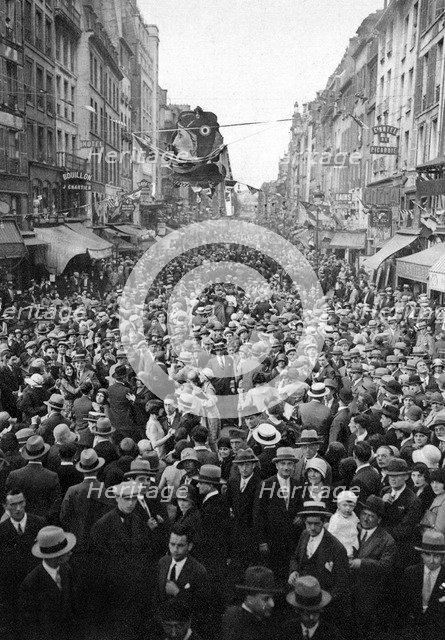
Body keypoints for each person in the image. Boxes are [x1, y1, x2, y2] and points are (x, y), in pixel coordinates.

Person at [288, 501, 350, 628]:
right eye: (309, 523)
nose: (312, 528)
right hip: (301, 600)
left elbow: (342, 582)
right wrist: (294, 571)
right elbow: (295, 558)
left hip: (323, 606)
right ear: (304, 522)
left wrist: (325, 602)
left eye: (317, 524)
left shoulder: (336, 548)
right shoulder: (304, 535)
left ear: (324, 523)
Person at [349, 495, 397, 638]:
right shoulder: (351, 530)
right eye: (363, 514)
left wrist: (361, 563)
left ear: (379, 519)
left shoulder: (387, 540)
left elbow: (386, 566)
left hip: (369, 595)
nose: (365, 519)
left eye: (371, 516)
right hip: (347, 591)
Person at [18, 525, 77, 640]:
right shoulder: (31, 583)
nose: (70, 553)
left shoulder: (66, 570)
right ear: (55, 557)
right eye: (66, 551)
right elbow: (29, 624)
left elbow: (71, 606)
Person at [253, 446, 301, 584]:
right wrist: (262, 541)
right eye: (283, 464)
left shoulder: (298, 485)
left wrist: (300, 516)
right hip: (271, 539)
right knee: (273, 575)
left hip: (291, 540)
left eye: (290, 464)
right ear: (276, 465)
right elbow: (258, 515)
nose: (286, 467)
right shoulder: (266, 485)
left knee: (289, 575)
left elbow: (300, 506)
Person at [0, 490, 46, 632]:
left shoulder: (39, 523)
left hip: (36, 586)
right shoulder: (1, 530)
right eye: (13, 504)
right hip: (11, 590)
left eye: (21, 503)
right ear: (5, 507)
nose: (18, 508)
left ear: (25, 502)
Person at [155, 524, 210, 635]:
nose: (175, 549)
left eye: (180, 545)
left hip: (183, 631)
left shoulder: (198, 571)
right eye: (172, 544)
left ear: (189, 546)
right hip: (163, 629)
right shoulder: (163, 563)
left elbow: (202, 607)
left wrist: (178, 593)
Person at [398, 530, 445, 636]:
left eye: (437, 556)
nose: (432, 560)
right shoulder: (410, 572)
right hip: (411, 631)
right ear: (422, 555)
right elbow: (401, 605)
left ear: (443, 557)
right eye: (428, 555)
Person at [5, 435, 61, 523]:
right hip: (43, 524)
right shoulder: (52, 476)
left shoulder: (14, 475)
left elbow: (7, 501)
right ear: (43, 455)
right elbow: (55, 506)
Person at [381, 458, 423, 569]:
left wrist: (380, 533)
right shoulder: (385, 491)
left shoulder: (413, 500)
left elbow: (404, 530)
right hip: (382, 547)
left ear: (406, 477)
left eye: (397, 476)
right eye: (390, 476)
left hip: (400, 551)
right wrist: (382, 503)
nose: (393, 479)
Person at [226, 447, 261, 579]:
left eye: (247, 465)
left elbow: (258, 513)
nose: (244, 468)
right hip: (235, 531)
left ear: (253, 465)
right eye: (241, 465)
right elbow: (228, 503)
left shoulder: (259, 483)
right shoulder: (233, 482)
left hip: (250, 532)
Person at [221, 566, 281, 640]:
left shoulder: (269, 622)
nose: (272, 604)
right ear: (250, 599)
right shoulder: (235, 621)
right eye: (266, 599)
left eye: (272, 598)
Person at [282, 576, 345, 640]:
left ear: (321, 609)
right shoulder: (287, 631)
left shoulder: (332, 634)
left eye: (316, 612)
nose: (311, 617)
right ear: (298, 610)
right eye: (307, 613)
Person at [327, 490, 359, 558]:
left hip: (353, 545)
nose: (348, 508)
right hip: (341, 547)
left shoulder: (353, 515)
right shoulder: (336, 518)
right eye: (344, 505)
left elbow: (356, 523)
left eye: (351, 506)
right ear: (338, 505)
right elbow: (331, 535)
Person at [421, 468, 445, 535]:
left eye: (438, 482)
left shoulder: (443, 503)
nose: (434, 486)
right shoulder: (439, 497)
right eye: (432, 482)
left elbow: (439, 531)